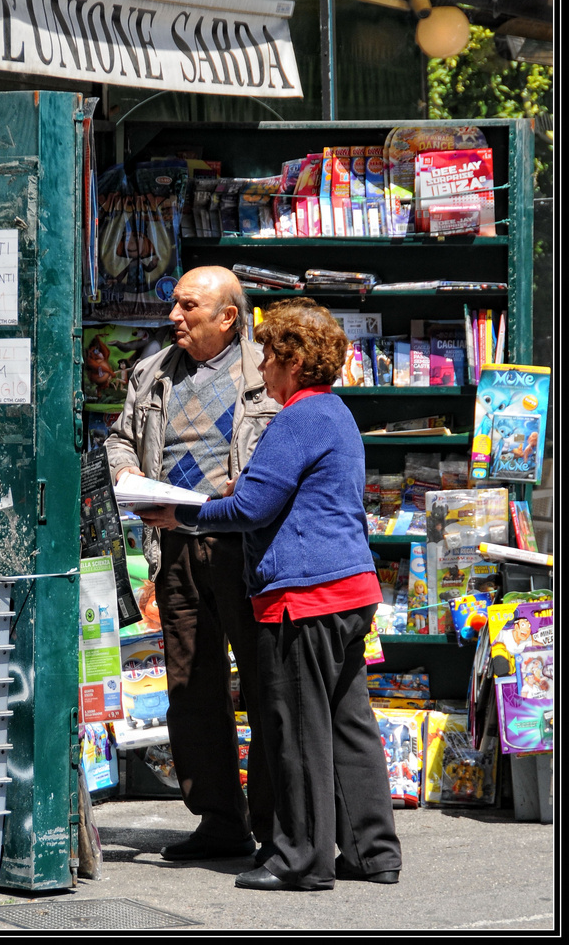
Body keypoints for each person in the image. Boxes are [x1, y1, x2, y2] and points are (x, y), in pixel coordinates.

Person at [140, 297, 402, 891]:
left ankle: (301, 858)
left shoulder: (298, 418)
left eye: (268, 357)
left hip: (304, 595)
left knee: (298, 728)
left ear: (289, 360)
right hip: (349, 589)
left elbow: (252, 506)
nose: (259, 369)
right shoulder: (336, 415)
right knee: (346, 723)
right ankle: (372, 851)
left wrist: (181, 517)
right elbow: (285, 493)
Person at [106, 265, 280, 861]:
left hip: (244, 546)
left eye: (187, 307)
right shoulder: (152, 371)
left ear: (228, 316)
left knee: (264, 682)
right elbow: (121, 437)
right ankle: (219, 819)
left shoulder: (267, 373)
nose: (173, 316)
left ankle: (277, 821)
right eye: (173, 305)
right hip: (176, 543)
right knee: (190, 684)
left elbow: (293, 446)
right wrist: (126, 474)